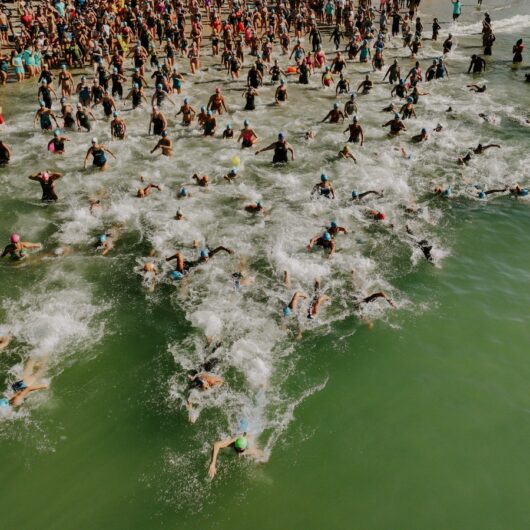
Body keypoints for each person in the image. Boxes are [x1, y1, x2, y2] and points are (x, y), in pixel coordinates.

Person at [166, 246, 234, 280]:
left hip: (189, 264)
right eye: (203, 258)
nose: (205, 260)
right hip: (189, 265)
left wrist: (227, 250)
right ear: (201, 257)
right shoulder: (198, 260)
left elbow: (220, 247)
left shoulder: (209, 255)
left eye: (206, 258)